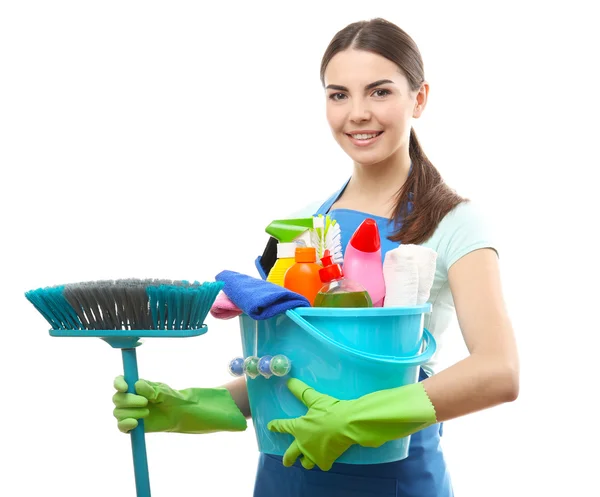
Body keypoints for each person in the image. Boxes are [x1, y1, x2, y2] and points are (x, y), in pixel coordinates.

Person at [112, 18, 519, 496]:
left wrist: (358, 420)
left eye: (380, 92)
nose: (358, 113)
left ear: (419, 98)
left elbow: (498, 371)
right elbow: (286, 368)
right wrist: (191, 405)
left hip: (393, 478)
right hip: (286, 472)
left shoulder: (455, 222)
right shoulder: (300, 227)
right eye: (339, 94)